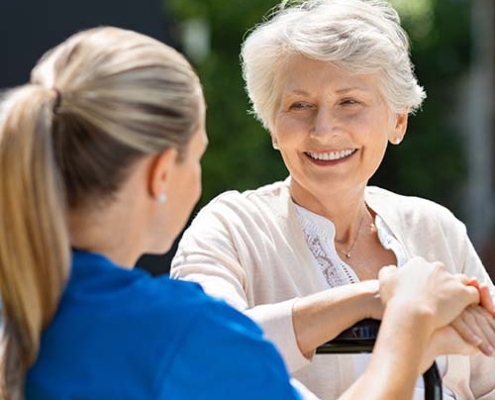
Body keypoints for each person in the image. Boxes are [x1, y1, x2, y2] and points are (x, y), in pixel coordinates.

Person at [0, 25, 485, 400]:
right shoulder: (183, 329)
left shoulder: (36, 301)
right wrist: (407, 321)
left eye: (350, 102)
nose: (323, 128)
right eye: (198, 154)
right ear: (162, 173)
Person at [170, 0, 495, 399]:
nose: (323, 130)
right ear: (273, 126)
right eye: (299, 105)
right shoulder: (230, 229)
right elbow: (202, 356)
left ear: (398, 120)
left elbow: (489, 378)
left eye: (349, 102)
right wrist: (380, 298)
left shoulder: (434, 227)